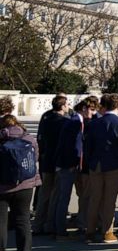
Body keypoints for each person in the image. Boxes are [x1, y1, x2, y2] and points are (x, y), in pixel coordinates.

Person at [84, 93, 118, 244]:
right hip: (115, 166)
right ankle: (107, 231)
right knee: (110, 199)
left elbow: (87, 146)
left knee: (94, 198)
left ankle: (89, 230)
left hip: (95, 165)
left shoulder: (93, 123)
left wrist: (90, 163)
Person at [0, 114, 40, 251]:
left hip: (2, 187)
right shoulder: (29, 138)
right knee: (23, 220)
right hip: (25, 185)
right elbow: (34, 158)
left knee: (1, 223)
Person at [51, 100, 89, 238]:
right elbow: (75, 146)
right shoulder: (75, 122)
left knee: (61, 197)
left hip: (64, 163)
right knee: (64, 197)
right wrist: (76, 163)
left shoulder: (71, 121)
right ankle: (59, 229)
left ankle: (56, 226)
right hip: (69, 165)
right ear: (84, 109)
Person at [33, 95, 68, 235]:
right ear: (63, 106)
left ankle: (37, 224)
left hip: (46, 160)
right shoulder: (65, 122)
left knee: (44, 194)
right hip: (58, 161)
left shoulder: (46, 120)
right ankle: (49, 224)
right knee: (55, 195)